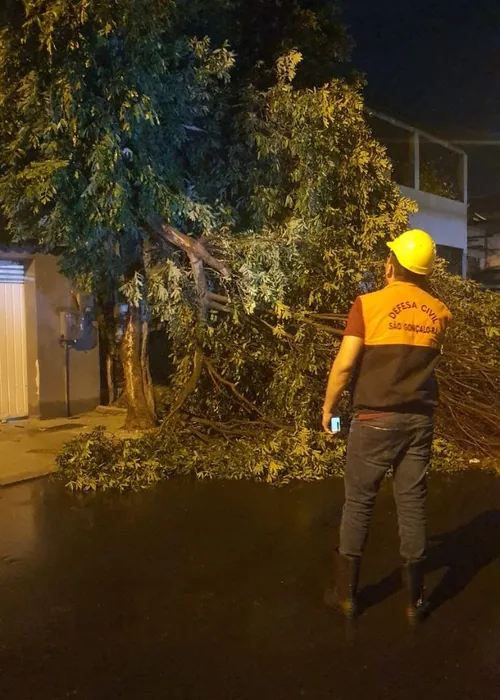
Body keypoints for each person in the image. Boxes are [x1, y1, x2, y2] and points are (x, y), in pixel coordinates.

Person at [321, 229, 452, 625]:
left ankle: (346, 597)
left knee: (359, 503)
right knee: (411, 503)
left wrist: (328, 408)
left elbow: (345, 365)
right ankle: (415, 603)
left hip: (374, 420)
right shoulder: (440, 312)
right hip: (419, 421)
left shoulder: (369, 304)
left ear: (391, 263)